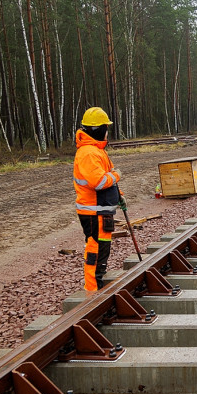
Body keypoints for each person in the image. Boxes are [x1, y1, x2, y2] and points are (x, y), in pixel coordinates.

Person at [73, 107, 120, 291]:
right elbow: (99, 181)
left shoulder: (97, 151)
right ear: (98, 128)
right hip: (93, 211)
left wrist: (118, 196)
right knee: (95, 249)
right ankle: (92, 290)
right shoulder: (88, 153)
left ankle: (97, 283)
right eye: (105, 127)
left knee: (103, 249)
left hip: (102, 210)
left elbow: (106, 176)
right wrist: (117, 176)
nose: (107, 131)